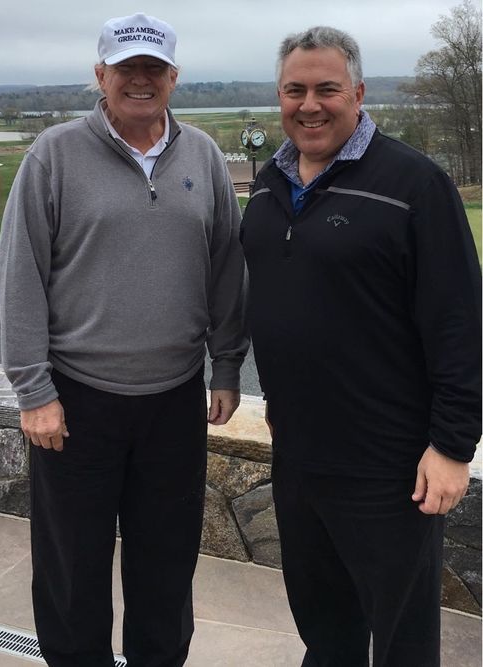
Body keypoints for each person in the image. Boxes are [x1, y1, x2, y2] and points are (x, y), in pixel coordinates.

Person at [0, 13, 248, 667]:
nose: (141, 80)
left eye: (154, 69)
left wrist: (225, 365)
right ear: (99, 75)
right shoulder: (53, 156)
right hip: (75, 405)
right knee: (73, 572)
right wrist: (34, 388)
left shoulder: (203, 159)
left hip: (172, 402)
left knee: (165, 569)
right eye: (126, 68)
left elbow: (225, 266)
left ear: (174, 77)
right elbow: (20, 277)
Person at [240, 26, 481, 667]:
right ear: (280, 95)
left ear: (359, 93)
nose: (309, 104)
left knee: (400, 642)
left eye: (327, 89)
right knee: (326, 633)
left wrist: (454, 446)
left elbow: (460, 323)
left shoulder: (414, 184)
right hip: (298, 456)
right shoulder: (268, 185)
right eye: (295, 90)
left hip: (389, 467)